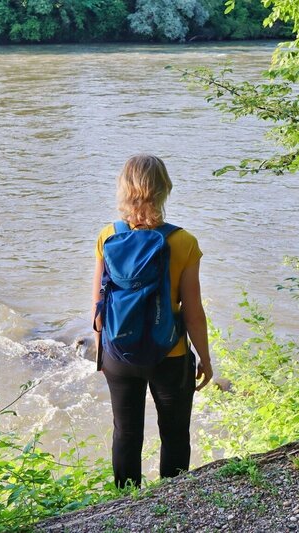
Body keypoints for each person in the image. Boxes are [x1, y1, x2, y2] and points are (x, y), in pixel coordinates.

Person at [91, 154, 214, 489]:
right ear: (164, 190)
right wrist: (204, 357)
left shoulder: (107, 236)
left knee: (126, 433)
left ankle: (124, 505)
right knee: (174, 435)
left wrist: (106, 353)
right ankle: (170, 506)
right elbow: (193, 311)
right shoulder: (183, 242)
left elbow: (99, 308)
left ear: (123, 190)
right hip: (169, 355)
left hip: (120, 353)